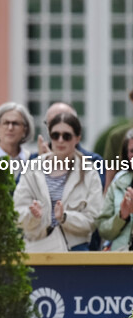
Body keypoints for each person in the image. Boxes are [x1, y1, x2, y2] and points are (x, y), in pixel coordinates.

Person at [14, 112, 102, 251]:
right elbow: (17, 212)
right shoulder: (32, 168)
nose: (60, 140)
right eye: (55, 135)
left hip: (74, 249)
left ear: (77, 139)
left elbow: (94, 219)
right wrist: (33, 215)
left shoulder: (89, 172)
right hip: (37, 247)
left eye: (67, 136)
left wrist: (65, 217)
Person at [33, 101, 106, 190]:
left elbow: (95, 192)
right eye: (52, 123)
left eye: (65, 121)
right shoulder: (34, 160)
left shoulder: (93, 161)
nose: (59, 127)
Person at [97, 131, 133, 252]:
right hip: (120, 257)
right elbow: (103, 230)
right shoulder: (118, 183)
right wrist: (122, 217)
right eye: (132, 151)